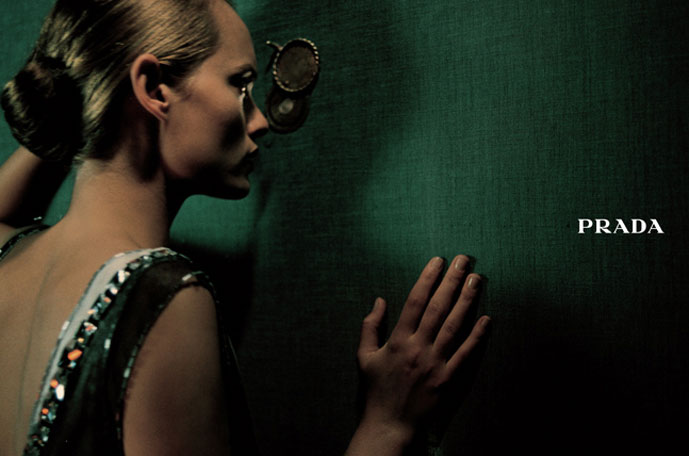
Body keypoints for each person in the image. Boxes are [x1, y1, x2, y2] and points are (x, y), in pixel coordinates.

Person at [0, 0, 492, 454]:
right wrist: (387, 426)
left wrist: (88, 87)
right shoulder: (162, 298)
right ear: (153, 89)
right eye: (239, 84)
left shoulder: (9, 257)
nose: (260, 121)